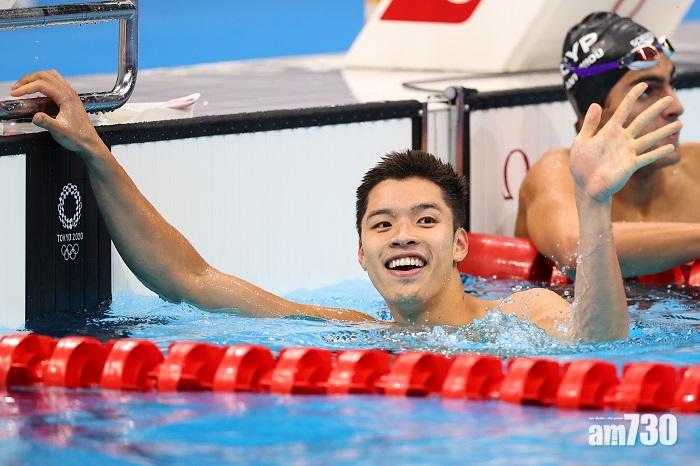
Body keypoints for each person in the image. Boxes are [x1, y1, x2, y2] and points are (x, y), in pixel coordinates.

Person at [10, 69, 679, 342]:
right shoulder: (349, 331)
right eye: (383, 225)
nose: (403, 236)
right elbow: (187, 278)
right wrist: (95, 152)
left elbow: (599, 345)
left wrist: (594, 203)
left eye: (425, 220)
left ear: (461, 245)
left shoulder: (523, 314)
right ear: (361, 253)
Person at [515, 11, 699, 278]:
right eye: (647, 91)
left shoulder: (696, 168)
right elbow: (576, 251)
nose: (676, 107)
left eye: (672, 85)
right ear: (594, 117)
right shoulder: (556, 174)